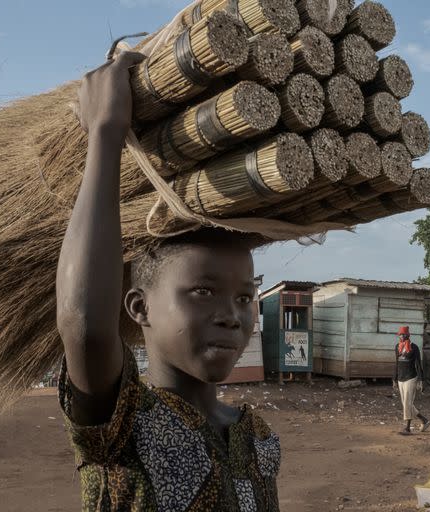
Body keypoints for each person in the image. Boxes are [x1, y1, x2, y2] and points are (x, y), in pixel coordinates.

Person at [55, 51, 280, 511]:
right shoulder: (122, 424)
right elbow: (85, 326)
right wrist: (106, 133)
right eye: (203, 291)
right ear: (139, 307)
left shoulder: (257, 438)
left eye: (245, 296)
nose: (232, 317)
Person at [392, 326, 430, 435]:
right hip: (400, 378)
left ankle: (407, 428)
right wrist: (394, 378)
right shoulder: (397, 347)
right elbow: (396, 363)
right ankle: (424, 420)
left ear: (408, 335)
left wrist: (421, 380)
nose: (402, 336)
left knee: (407, 403)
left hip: (411, 378)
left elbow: (418, 364)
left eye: (404, 334)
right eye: (400, 334)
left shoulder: (414, 348)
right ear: (398, 335)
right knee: (406, 404)